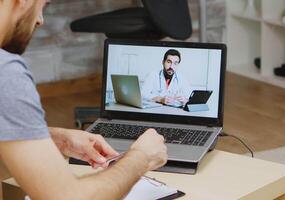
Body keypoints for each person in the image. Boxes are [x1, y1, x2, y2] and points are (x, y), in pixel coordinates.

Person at [0, 0, 167, 199]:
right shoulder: (6, 73)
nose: (40, 20)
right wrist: (141, 158)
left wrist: (52, 138)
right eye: (42, 5)